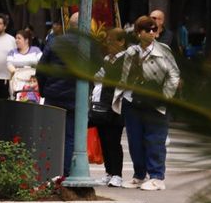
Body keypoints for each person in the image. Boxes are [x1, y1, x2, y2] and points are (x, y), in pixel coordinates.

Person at [121, 14, 181, 191]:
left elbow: (174, 74)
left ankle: (157, 176)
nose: (152, 32)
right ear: (139, 32)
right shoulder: (131, 52)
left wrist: (165, 96)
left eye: (154, 29)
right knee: (135, 140)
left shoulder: (163, 50)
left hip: (156, 100)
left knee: (155, 139)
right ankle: (139, 175)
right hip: (133, 99)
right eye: (147, 29)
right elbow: (124, 76)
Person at [37, 13, 83, 176]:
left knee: (50, 134)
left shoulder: (55, 41)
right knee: (71, 136)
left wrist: (43, 90)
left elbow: (41, 69)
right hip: (76, 97)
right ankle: (66, 172)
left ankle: (48, 170)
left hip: (54, 94)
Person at [90, 28, 129, 187]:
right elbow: (97, 77)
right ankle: (109, 172)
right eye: (108, 41)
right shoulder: (106, 59)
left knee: (113, 140)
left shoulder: (126, 59)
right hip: (101, 103)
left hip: (116, 104)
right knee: (104, 140)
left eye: (113, 41)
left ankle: (117, 174)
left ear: (121, 42)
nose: (109, 44)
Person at [7, 28, 43, 101]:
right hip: (17, 81)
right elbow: (9, 64)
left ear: (26, 40)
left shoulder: (36, 50)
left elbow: (42, 63)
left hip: (33, 82)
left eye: (19, 38)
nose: (16, 40)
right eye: (16, 38)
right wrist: (15, 72)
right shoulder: (12, 52)